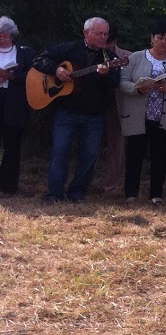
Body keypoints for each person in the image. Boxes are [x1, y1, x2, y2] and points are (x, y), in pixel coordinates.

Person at [32, 16, 121, 203]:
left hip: (94, 115)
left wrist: (105, 75)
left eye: (105, 34)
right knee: (59, 151)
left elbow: (115, 83)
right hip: (66, 112)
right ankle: (54, 194)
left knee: (89, 155)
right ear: (85, 33)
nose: (103, 37)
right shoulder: (68, 49)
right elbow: (39, 59)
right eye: (99, 33)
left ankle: (77, 193)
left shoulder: (111, 59)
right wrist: (56, 70)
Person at [118, 20, 166, 204]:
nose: (163, 42)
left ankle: (156, 195)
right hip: (138, 116)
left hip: (164, 117)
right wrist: (138, 89)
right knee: (134, 155)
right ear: (152, 38)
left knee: (160, 156)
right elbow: (122, 82)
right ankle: (131, 194)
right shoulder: (135, 58)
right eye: (160, 38)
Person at [0, 16, 36, 195]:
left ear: (12, 36)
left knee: (12, 145)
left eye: (5, 36)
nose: (2, 39)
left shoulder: (24, 53)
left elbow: (33, 77)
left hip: (14, 103)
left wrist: (12, 76)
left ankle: (8, 186)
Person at [100, 24, 132, 195]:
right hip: (92, 106)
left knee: (116, 147)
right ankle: (82, 183)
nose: (105, 45)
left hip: (117, 106)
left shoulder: (128, 57)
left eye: (109, 42)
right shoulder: (90, 53)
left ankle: (111, 186)